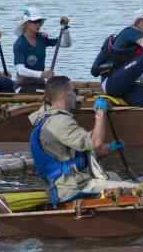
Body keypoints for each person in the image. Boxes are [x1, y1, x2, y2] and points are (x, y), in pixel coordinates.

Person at [28, 76, 134, 206]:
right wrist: (100, 113)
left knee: (113, 176)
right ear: (64, 94)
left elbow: (85, 152)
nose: (75, 96)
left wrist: (110, 148)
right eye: (74, 92)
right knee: (135, 190)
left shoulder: (46, 118)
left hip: (67, 182)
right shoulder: (60, 122)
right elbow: (95, 142)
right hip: (73, 188)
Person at [13, 9, 71, 94]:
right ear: (27, 24)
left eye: (40, 21)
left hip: (40, 83)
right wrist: (42, 74)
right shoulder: (19, 44)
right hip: (24, 84)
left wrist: (65, 28)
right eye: (35, 21)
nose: (39, 24)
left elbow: (65, 44)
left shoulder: (42, 38)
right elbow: (21, 70)